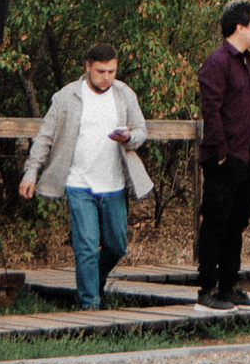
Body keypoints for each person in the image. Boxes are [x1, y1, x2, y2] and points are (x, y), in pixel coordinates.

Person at [20, 42, 154, 310]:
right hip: (78, 183)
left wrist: (129, 137)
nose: (106, 77)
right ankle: (89, 306)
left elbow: (142, 131)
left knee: (117, 246)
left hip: (114, 184)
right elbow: (45, 136)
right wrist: (31, 172)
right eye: (101, 71)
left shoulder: (124, 94)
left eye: (112, 71)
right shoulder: (67, 96)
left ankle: (96, 280)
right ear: (88, 67)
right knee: (86, 246)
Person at [196, 0, 250, 311]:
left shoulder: (246, 63)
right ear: (239, 27)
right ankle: (207, 288)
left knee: (237, 223)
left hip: (246, 157)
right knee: (215, 223)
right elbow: (211, 110)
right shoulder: (218, 62)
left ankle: (229, 286)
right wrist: (221, 154)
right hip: (224, 159)